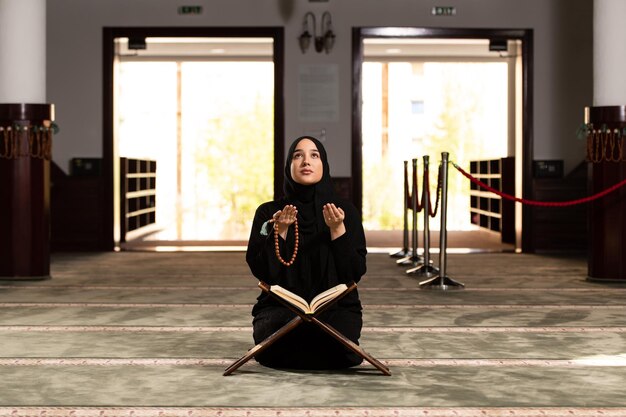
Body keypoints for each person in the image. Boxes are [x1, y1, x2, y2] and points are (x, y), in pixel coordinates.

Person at [246, 136, 367, 370]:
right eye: (297, 155)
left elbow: (354, 272)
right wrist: (280, 232)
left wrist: (337, 230)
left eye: (314, 155)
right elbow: (262, 272)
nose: (305, 161)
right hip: (280, 310)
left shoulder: (344, 212)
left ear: (324, 165)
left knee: (338, 333)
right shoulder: (269, 212)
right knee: (277, 329)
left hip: (335, 310)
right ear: (288, 166)